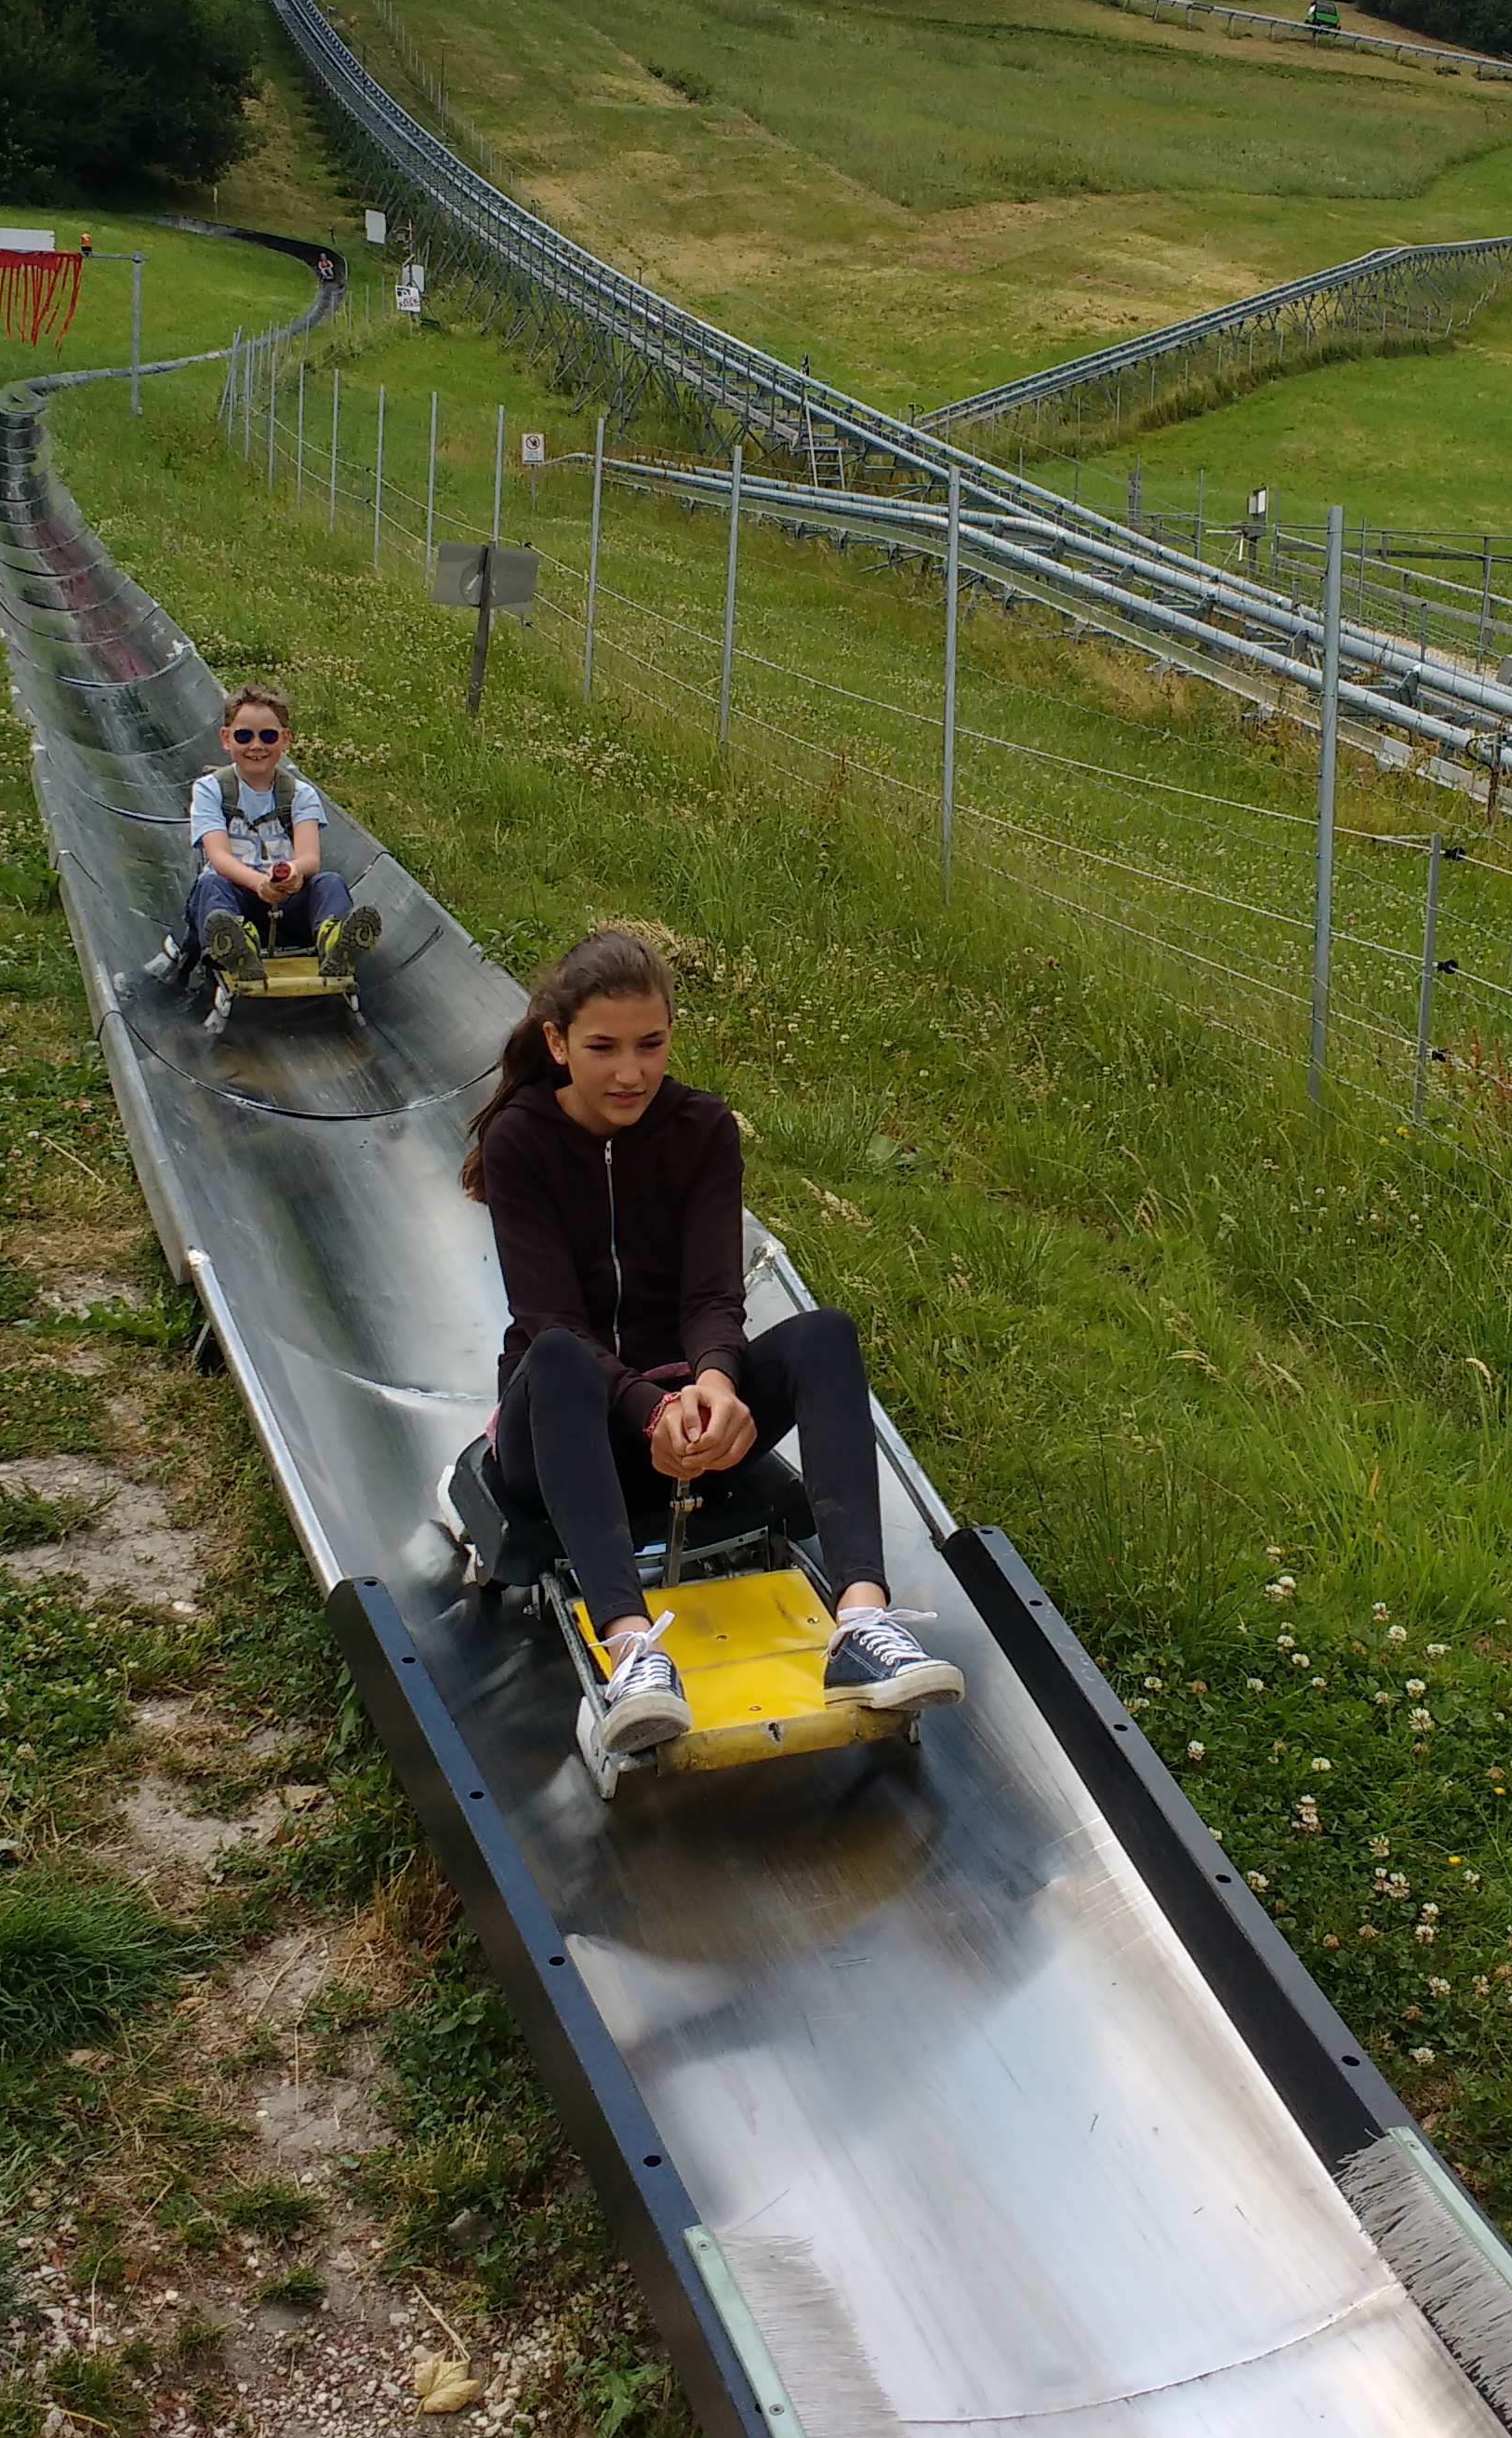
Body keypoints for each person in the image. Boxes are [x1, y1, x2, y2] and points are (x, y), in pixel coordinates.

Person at [463, 926, 962, 1753]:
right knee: (553, 1353)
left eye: (651, 1044)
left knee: (825, 1337)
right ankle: (631, 1652)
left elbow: (710, 1296)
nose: (631, 1072)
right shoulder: (521, 1140)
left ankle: (862, 1626)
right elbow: (552, 1319)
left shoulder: (700, 1130)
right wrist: (650, 1408)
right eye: (603, 1048)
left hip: (684, 1409)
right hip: (563, 1425)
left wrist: (719, 1385)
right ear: (557, 1042)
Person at [186, 684, 381, 974]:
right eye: (244, 736)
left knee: (329, 883)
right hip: (236, 899)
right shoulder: (210, 790)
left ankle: (336, 941)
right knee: (210, 885)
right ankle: (236, 946)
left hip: (286, 903)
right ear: (226, 739)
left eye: (268, 736)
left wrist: (291, 873)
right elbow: (219, 857)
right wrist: (257, 884)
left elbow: (309, 857)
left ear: (284, 739)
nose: (256, 745)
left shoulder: (299, 794)